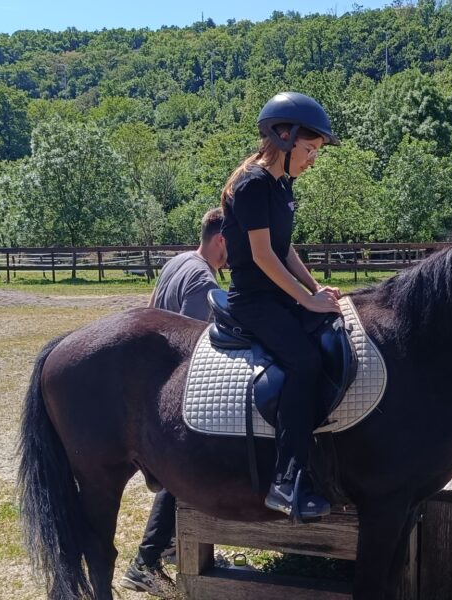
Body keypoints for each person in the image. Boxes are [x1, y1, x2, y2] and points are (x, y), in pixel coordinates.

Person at [220, 91, 341, 520]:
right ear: (284, 138)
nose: (313, 159)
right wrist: (305, 300)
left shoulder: (281, 183)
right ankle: (285, 481)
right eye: (309, 150)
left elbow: (285, 250)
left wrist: (317, 289)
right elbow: (262, 257)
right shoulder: (253, 184)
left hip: (280, 292)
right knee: (305, 361)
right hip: (254, 301)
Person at [121, 207, 228, 596]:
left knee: (174, 475)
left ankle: (164, 550)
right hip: (178, 384)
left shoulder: (177, 262)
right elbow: (196, 341)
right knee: (181, 473)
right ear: (220, 239)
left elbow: (150, 310)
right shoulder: (201, 278)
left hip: (154, 378)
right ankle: (146, 561)